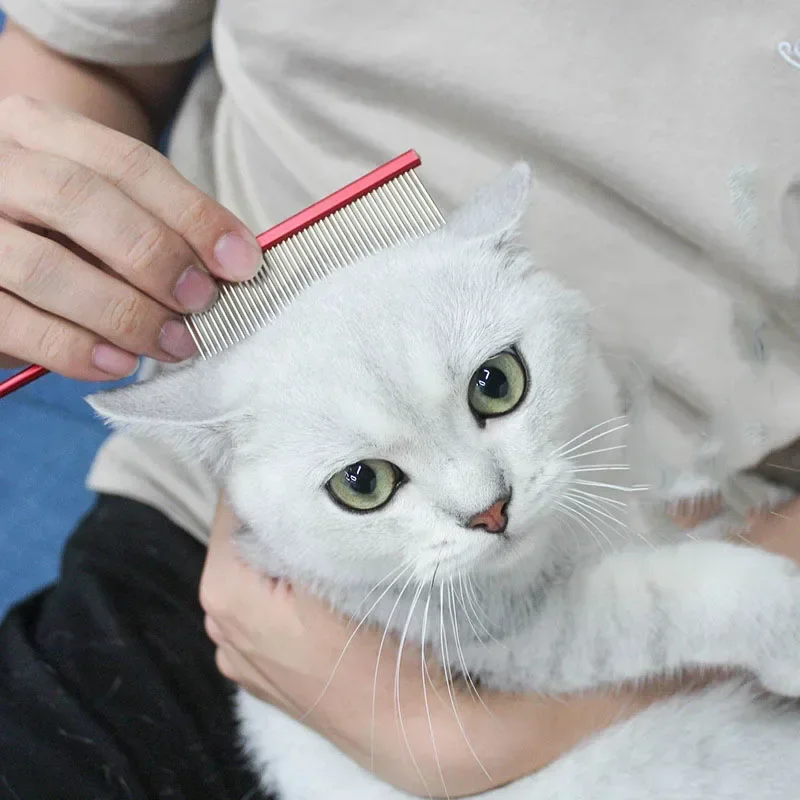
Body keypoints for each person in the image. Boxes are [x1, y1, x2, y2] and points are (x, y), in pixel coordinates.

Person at [0, 2, 799, 797]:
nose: (484, 503)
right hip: (216, 557)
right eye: (370, 480)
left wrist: (475, 738)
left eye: (497, 388)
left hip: (722, 515)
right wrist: (41, 234)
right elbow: (84, 57)